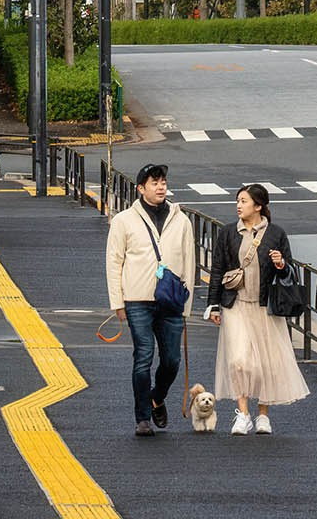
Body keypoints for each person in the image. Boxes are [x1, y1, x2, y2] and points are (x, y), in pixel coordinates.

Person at [204, 182, 310, 434]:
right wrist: (214, 304)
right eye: (238, 201)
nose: (238, 205)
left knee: (265, 364)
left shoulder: (276, 234)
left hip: (265, 307)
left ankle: (263, 415)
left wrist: (281, 264)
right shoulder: (229, 233)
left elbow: (289, 270)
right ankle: (243, 413)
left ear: (258, 206)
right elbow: (217, 269)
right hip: (236, 304)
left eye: (243, 201)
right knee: (239, 361)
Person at [105, 161, 197, 437]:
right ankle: (143, 417)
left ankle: (157, 397)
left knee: (171, 361)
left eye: (163, 183)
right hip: (137, 300)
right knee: (143, 356)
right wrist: (117, 303)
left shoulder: (181, 220)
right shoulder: (124, 221)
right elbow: (114, 262)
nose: (160, 187)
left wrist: (186, 306)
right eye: (154, 183)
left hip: (171, 301)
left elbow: (189, 263)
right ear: (140, 188)